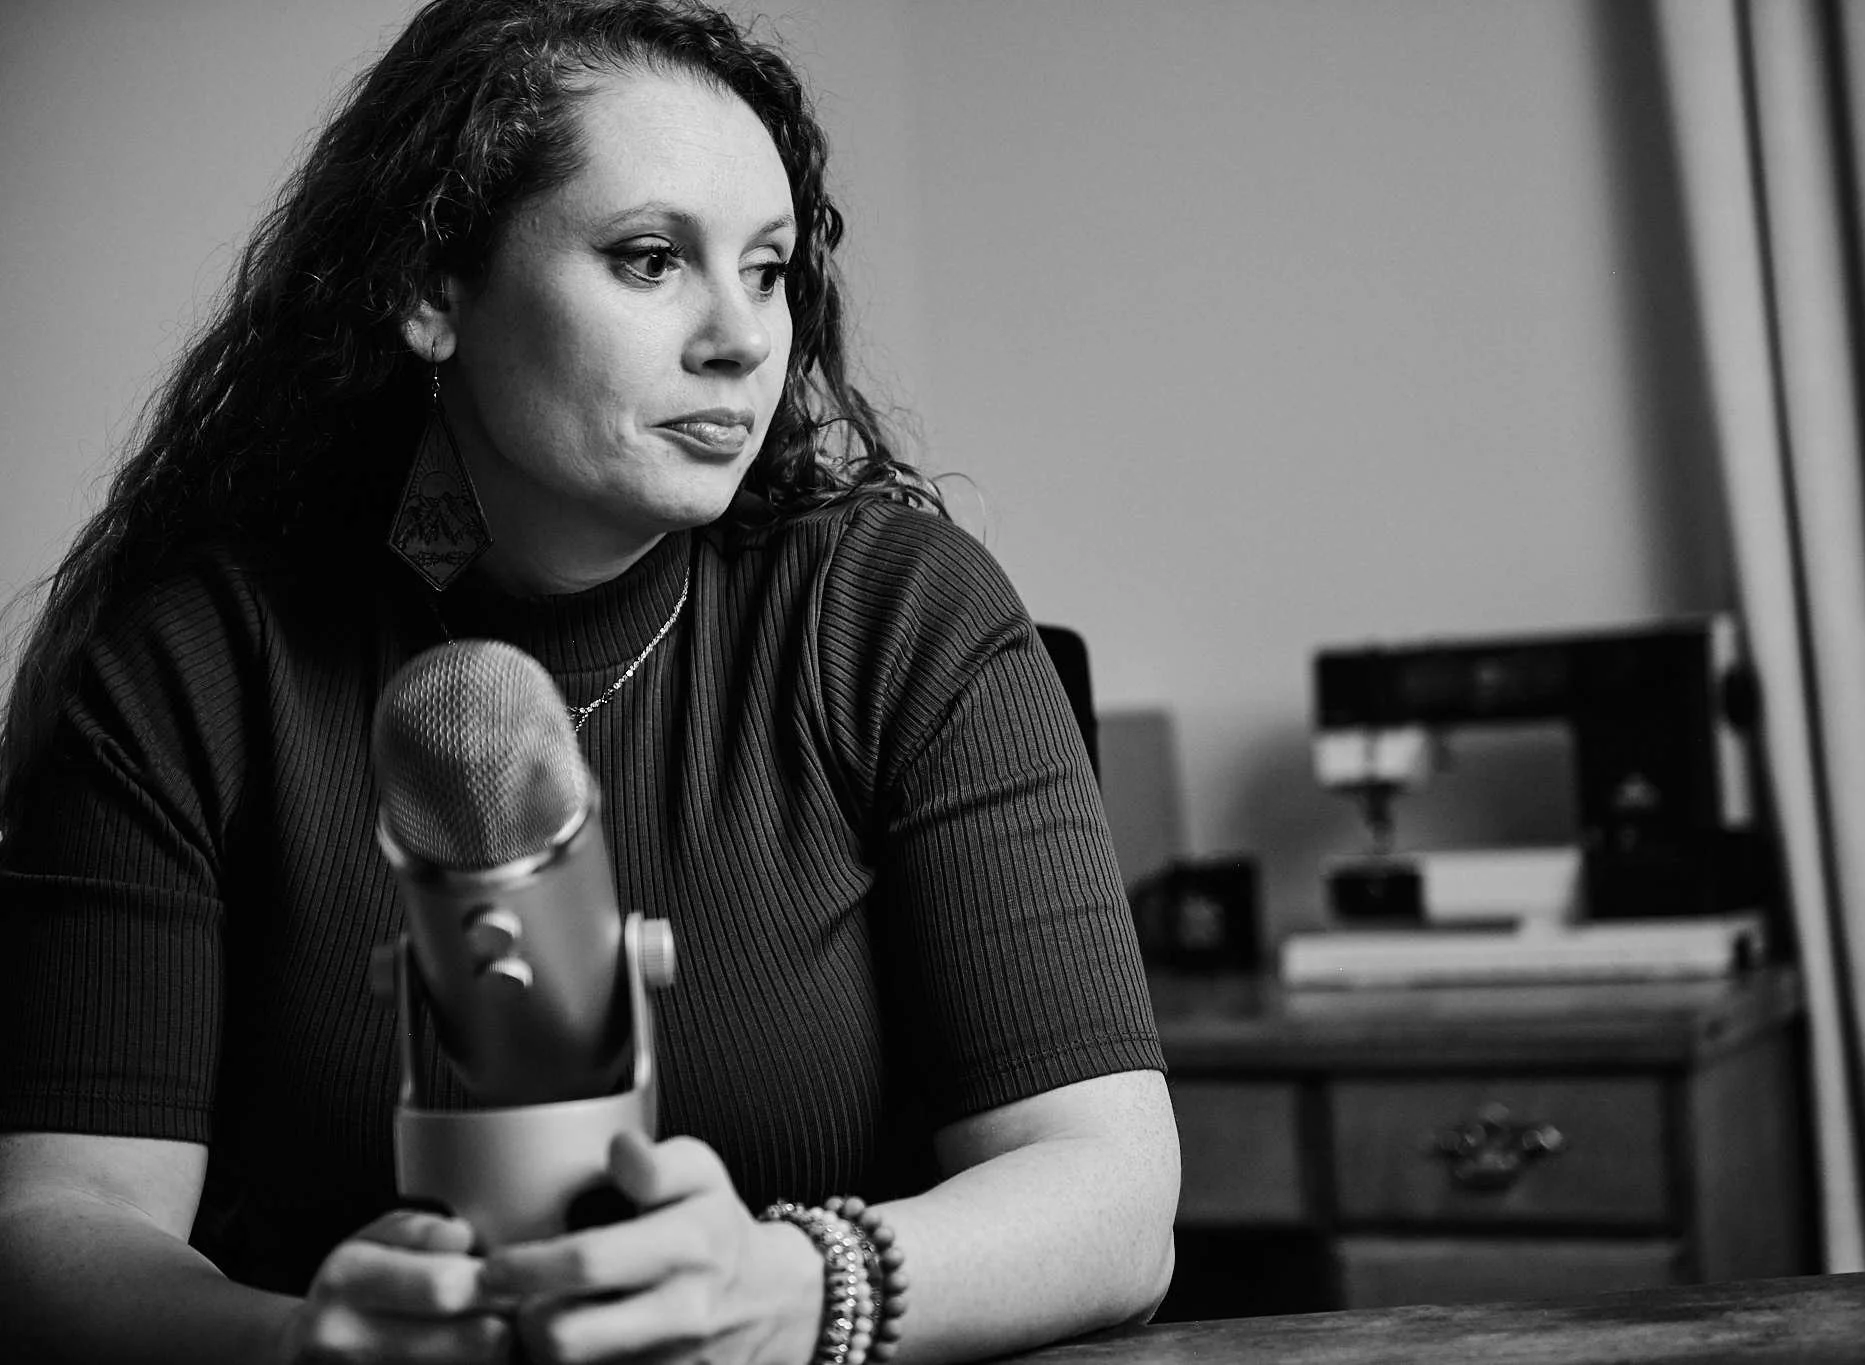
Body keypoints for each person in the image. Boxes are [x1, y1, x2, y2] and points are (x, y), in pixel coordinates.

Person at [0, 2, 1179, 1362]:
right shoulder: (194, 664)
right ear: (433, 289)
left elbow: (1112, 1197)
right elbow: (53, 1225)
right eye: (648, 260)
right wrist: (302, 1349)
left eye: (770, 267)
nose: (743, 339)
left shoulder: (898, 612)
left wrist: (793, 1291)